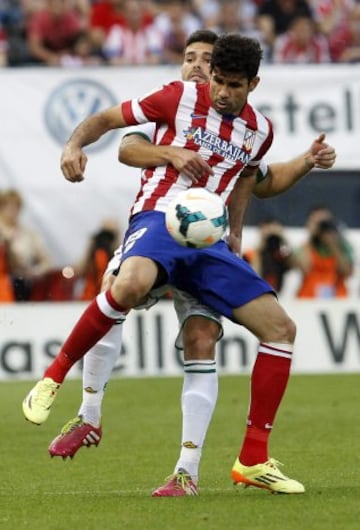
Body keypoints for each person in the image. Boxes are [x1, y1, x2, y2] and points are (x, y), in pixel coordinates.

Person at [22, 33, 334, 497]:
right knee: (124, 285)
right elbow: (116, 128)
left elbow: (259, 181)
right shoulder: (178, 98)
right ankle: (60, 383)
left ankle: (248, 459)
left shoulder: (259, 132)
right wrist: (74, 147)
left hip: (209, 245)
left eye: (234, 84)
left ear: (254, 84)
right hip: (162, 221)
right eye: (217, 80)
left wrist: (308, 160)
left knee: (278, 329)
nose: (223, 91)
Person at [0, 189, 53, 301]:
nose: (13, 211)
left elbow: (47, 262)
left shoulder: (29, 234)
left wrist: (34, 272)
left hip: (22, 285)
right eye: (9, 207)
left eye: (16, 207)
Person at [296, 205, 354, 298]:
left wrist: (333, 244)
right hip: (308, 298)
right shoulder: (304, 247)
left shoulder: (343, 246)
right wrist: (311, 237)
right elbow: (305, 269)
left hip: (337, 298)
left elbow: (347, 272)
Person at [243, 217, 296, 293]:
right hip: (256, 295)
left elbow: (295, 264)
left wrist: (283, 238)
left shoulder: (280, 256)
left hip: (276, 296)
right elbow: (254, 278)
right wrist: (262, 242)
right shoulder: (250, 254)